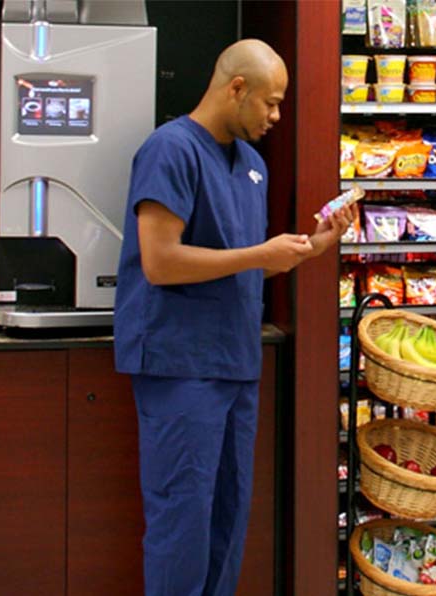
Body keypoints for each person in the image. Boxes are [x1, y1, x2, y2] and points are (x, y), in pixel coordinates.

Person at [113, 39, 355, 596]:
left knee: (228, 517)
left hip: (234, 362)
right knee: (183, 521)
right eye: (269, 104)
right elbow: (161, 262)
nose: (275, 117)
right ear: (236, 88)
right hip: (179, 364)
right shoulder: (169, 150)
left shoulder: (251, 165)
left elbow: (235, 266)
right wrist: (259, 255)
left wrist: (309, 250)